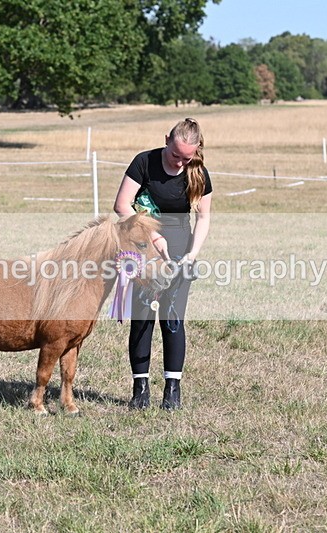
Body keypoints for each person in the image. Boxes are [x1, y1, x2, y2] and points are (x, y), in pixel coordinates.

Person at [113, 118, 212, 410]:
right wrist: (152, 235)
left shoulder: (198, 173)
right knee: (142, 318)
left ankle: (172, 391)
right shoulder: (143, 162)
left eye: (187, 157)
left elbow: (203, 218)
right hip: (144, 245)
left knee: (172, 319)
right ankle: (140, 389)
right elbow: (122, 205)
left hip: (180, 248)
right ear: (166, 139)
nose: (180, 163)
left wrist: (191, 257)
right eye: (175, 155)